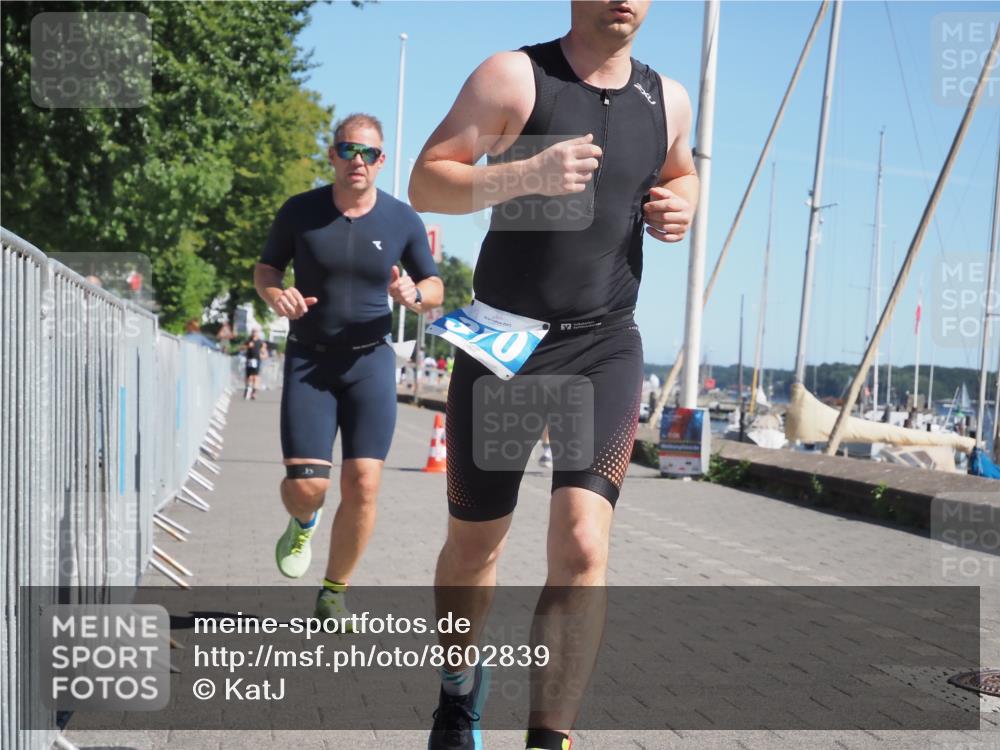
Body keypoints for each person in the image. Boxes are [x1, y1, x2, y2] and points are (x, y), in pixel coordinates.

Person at [409, 2, 697, 749]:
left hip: (603, 345)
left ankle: (549, 738)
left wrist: (683, 203)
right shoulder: (514, 76)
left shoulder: (667, 99)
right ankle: (457, 695)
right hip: (503, 343)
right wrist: (525, 173)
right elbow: (426, 182)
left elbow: (681, 171)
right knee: (477, 544)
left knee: (583, 543)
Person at [255, 113, 443, 622]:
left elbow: (435, 286)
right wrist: (277, 294)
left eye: (369, 153)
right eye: (348, 149)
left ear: (382, 161)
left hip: (370, 362)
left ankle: (334, 590)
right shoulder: (300, 211)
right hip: (309, 363)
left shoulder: (402, 219)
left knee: (363, 484)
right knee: (306, 487)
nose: (358, 160)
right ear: (332, 154)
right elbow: (267, 267)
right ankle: (303, 521)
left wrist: (414, 293)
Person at [241, 328, 268, 399]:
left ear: (258, 333)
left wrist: (263, 355)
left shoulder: (261, 342)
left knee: (255, 377)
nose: (254, 333)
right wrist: (247, 346)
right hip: (249, 360)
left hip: (257, 361)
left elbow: (265, 353)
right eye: (253, 332)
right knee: (249, 377)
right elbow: (241, 348)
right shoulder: (248, 341)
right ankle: (247, 389)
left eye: (255, 332)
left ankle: (254, 393)